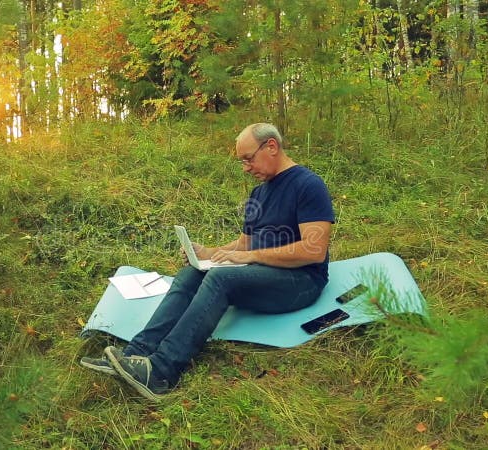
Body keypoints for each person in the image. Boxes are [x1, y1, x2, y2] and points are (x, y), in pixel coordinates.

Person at [80, 123, 335, 401]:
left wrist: (248, 257)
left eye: (248, 158)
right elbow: (244, 244)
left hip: (301, 281)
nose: (246, 168)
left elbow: (314, 251)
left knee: (221, 278)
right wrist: (207, 253)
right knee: (192, 273)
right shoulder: (258, 194)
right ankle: (134, 355)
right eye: (242, 162)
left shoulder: (308, 185)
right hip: (262, 272)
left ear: (271, 146)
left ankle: (162, 371)